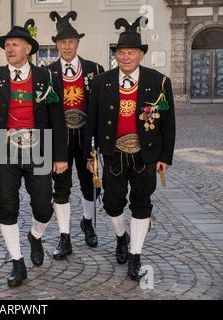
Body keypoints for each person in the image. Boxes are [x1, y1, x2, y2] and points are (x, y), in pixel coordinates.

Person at [85, 17, 175, 281]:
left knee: (141, 202)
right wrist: (91, 155)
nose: (125, 57)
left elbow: (168, 123)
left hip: (146, 153)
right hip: (113, 154)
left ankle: (136, 254)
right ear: (116, 55)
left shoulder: (158, 82)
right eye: (121, 53)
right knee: (113, 204)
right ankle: (120, 236)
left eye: (131, 53)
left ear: (141, 54)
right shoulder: (102, 82)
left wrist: (165, 157)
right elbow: (91, 120)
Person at [0, 21, 68, 287]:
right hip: (5, 149)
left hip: (38, 148)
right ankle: (17, 262)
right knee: (8, 205)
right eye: (6, 45)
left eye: (15, 44)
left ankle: (35, 235)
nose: (9, 49)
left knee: (43, 206)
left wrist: (60, 156)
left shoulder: (46, 77)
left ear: (28, 48)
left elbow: (57, 118)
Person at [47, 11, 105, 259]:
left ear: (77, 43)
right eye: (62, 42)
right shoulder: (48, 73)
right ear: (57, 45)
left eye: (71, 42)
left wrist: (99, 143)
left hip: (86, 137)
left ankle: (87, 223)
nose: (67, 46)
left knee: (89, 185)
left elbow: (103, 108)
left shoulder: (95, 70)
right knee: (61, 187)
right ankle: (64, 236)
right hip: (60, 140)